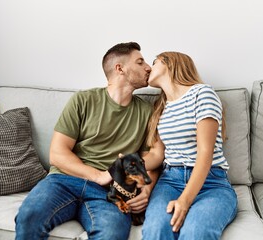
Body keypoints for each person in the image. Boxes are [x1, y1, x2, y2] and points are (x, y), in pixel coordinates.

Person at [14, 42, 161, 240]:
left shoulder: (146, 112)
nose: (148, 67)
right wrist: (97, 175)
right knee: (28, 218)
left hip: (110, 192)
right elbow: (57, 154)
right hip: (63, 181)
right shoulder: (83, 100)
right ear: (120, 68)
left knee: (112, 234)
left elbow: (153, 157)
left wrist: (147, 188)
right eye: (140, 62)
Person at [142, 51, 238, 240]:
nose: (148, 68)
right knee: (155, 231)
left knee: (196, 232)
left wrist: (185, 201)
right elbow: (157, 156)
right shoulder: (159, 107)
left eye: (154, 62)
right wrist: (124, 167)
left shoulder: (202, 93)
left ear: (169, 63)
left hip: (211, 183)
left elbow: (205, 152)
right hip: (170, 181)